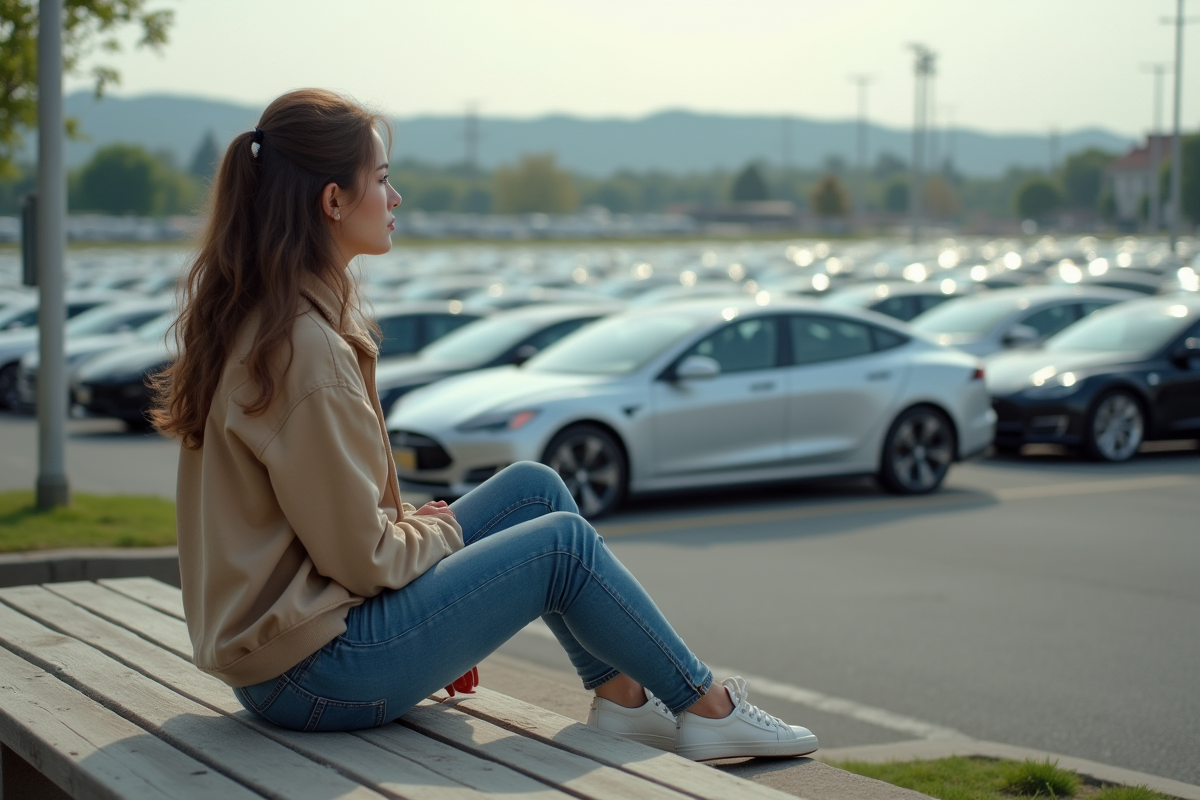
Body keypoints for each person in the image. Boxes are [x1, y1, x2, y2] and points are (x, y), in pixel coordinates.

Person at [152, 88, 817, 761]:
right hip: (314, 673)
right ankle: (708, 708)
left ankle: (621, 701)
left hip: (289, 657)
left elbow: (328, 525)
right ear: (332, 201)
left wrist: (436, 583)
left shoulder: (268, 318)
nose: (396, 198)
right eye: (382, 180)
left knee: (534, 489)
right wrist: (437, 538)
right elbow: (363, 559)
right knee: (562, 546)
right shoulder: (304, 346)